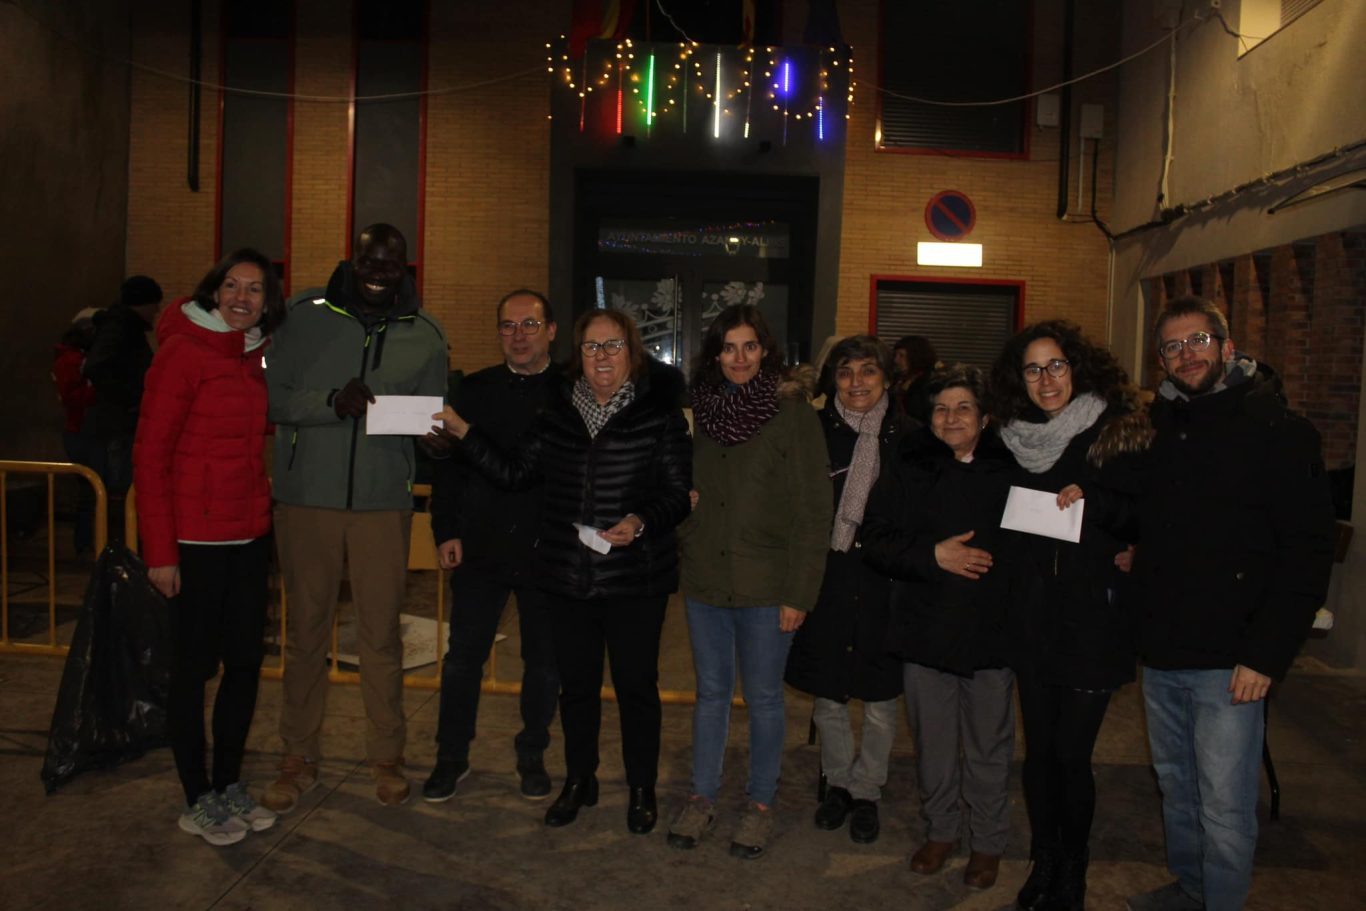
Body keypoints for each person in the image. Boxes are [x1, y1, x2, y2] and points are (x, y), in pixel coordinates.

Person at [435, 308, 691, 834]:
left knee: (636, 687)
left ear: (633, 353)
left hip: (635, 579)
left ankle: (641, 787)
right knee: (575, 687)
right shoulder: (555, 415)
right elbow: (513, 473)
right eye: (593, 347)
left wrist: (641, 520)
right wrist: (465, 432)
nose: (602, 357)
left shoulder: (659, 415)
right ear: (579, 355)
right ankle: (580, 780)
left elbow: (678, 494)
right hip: (568, 576)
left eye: (613, 346)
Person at [1124, 298, 1334, 911]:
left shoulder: (1280, 433)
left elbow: (1306, 554)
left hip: (1233, 662)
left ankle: (1220, 901)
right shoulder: (1160, 431)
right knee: (1178, 789)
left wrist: (1265, 656)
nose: (1186, 355)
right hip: (1163, 655)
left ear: (1226, 345)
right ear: (1160, 360)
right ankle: (1192, 891)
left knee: (1224, 803)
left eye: (1198, 341)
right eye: (1172, 347)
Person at [262, 223, 449, 811]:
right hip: (307, 501)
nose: (377, 272)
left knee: (381, 636)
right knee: (307, 633)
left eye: (390, 264)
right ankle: (298, 755)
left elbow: (432, 419)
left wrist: (437, 440)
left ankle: (387, 757)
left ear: (405, 269)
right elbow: (268, 397)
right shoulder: (301, 317)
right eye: (369, 260)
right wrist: (327, 404)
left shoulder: (427, 336)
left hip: (380, 506)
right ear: (352, 258)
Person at [989, 320, 1147, 911]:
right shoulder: (1010, 438)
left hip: (1091, 620)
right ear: (1018, 379)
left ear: (1076, 368)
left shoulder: (1114, 431)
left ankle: (1073, 870)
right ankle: (1044, 859)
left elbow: (1144, 515)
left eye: (1056, 365)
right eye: (1033, 369)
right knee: (1039, 754)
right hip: (1033, 616)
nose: (1046, 379)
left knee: (1071, 756)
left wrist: (1095, 499)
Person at [668, 304, 833, 860]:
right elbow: (685, 485)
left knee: (764, 699)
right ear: (715, 353)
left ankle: (761, 804)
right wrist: (686, 515)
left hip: (769, 587)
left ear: (766, 352)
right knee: (711, 695)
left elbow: (814, 510)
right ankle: (702, 795)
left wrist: (799, 593)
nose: (740, 358)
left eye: (750, 347)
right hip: (708, 579)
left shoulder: (793, 415)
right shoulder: (703, 414)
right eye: (729, 347)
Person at [132, 249, 285, 845]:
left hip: (248, 535)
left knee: (245, 664)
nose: (242, 298)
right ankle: (196, 796)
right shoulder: (182, 352)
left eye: (255, 290)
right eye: (232, 286)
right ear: (213, 291)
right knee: (193, 671)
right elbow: (151, 455)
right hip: (194, 541)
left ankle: (227, 785)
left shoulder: (252, 358)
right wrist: (160, 551)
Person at [861, 364, 1017, 889]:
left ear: (986, 416)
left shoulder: (1011, 467)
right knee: (932, 741)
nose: (951, 418)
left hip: (990, 631)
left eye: (964, 407)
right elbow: (877, 539)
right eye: (942, 408)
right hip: (924, 627)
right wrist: (933, 555)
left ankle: (989, 841)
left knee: (989, 744)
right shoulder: (907, 463)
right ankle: (942, 830)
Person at [423, 289, 562, 803]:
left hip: (547, 549)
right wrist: (446, 530)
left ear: (551, 331)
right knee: (462, 660)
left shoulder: (570, 394)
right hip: (480, 548)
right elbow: (448, 470)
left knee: (544, 664)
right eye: (508, 326)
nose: (519, 335)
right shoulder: (473, 390)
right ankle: (450, 756)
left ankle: (532, 753)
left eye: (530, 324)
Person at [783, 335, 912, 847]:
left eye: (868, 372)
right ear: (831, 380)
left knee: (880, 697)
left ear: (886, 378)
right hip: (828, 576)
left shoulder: (909, 437)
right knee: (830, 691)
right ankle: (837, 782)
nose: (856, 383)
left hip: (886, 581)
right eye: (845, 373)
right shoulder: (814, 431)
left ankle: (868, 790)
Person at [85, 274, 163, 538]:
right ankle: (118, 549)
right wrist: (131, 400)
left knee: (120, 492)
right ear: (143, 303)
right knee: (120, 492)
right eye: (155, 304)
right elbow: (98, 366)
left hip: (119, 422)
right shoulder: (121, 328)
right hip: (118, 426)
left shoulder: (120, 327)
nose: (157, 311)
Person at [51, 309, 100, 553]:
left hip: (80, 430)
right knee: (88, 494)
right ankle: (84, 544)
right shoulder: (72, 361)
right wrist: (98, 390)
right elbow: (73, 397)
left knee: (90, 493)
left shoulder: (74, 358)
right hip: (80, 431)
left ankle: (86, 542)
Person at [892, 335, 939, 423]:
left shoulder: (928, 383)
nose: (896, 360)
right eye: (895, 355)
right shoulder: (898, 380)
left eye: (901, 355)